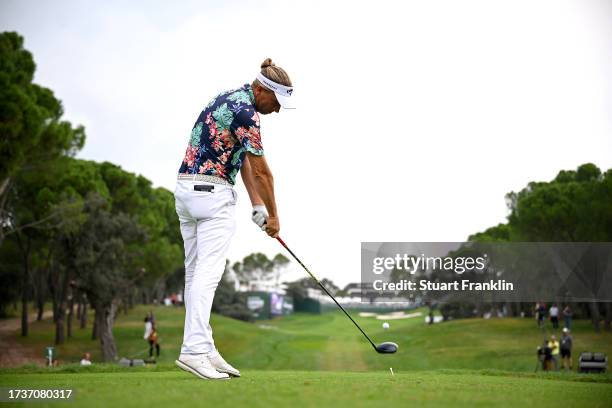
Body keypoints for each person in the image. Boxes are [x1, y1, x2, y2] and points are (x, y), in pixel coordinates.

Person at [174, 58, 293, 380]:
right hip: (213, 196)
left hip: (187, 191)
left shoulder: (227, 99)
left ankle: (205, 347)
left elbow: (238, 158)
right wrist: (276, 217)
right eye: (276, 101)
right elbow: (262, 171)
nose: (278, 110)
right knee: (208, 275)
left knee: (195, 274)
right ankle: (193, 351)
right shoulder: (248, 113)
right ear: (260, 89)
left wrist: (257, 205)